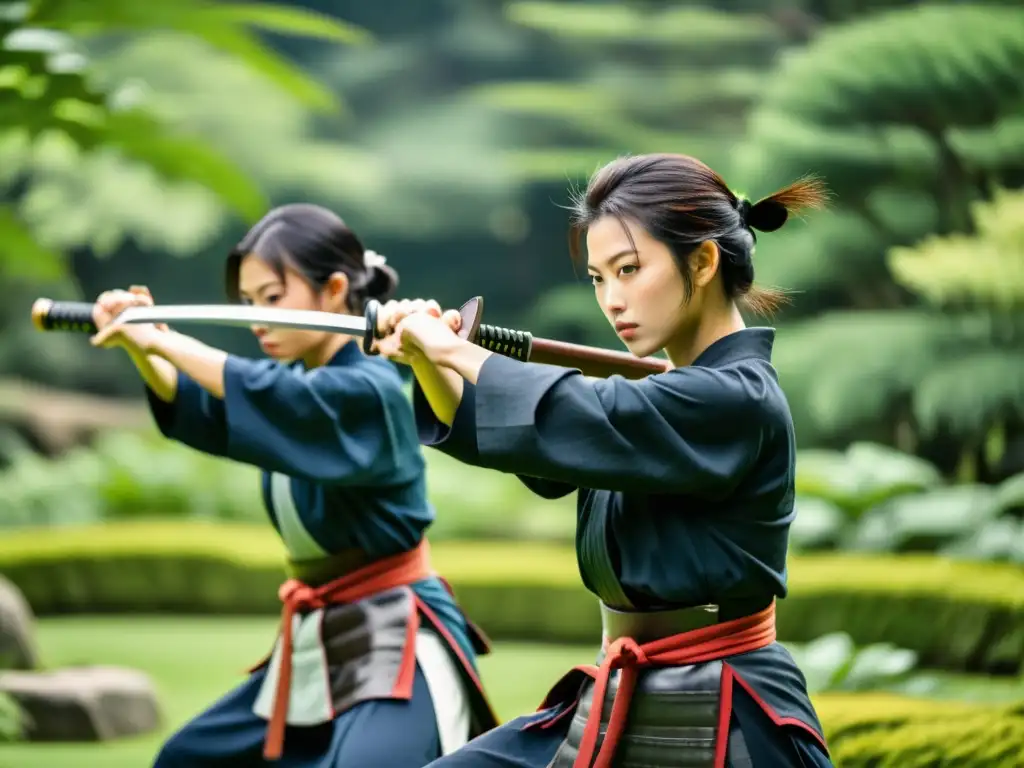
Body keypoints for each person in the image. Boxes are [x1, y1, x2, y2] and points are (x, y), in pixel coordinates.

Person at [373, 153, 835, 767]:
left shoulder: (736, 398)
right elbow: (542, 441)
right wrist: (429, 360)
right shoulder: (661, 394)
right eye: (598, 278)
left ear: (701, 261)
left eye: (629, 269)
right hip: (628, 688)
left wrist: (454, 351)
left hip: (729, 712)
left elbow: (572, 412)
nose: (612, 299)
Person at [89, 203, 499, 767]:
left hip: (397, 637)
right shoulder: (292, 384)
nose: (257, 319)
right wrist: (140, 342)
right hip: (319, 639)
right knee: (188, 758)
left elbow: (257, 394)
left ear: (334, 290)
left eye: (272, 298)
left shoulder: (368, 391)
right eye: (249, 302)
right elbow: (207, 404)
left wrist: (162, 339)